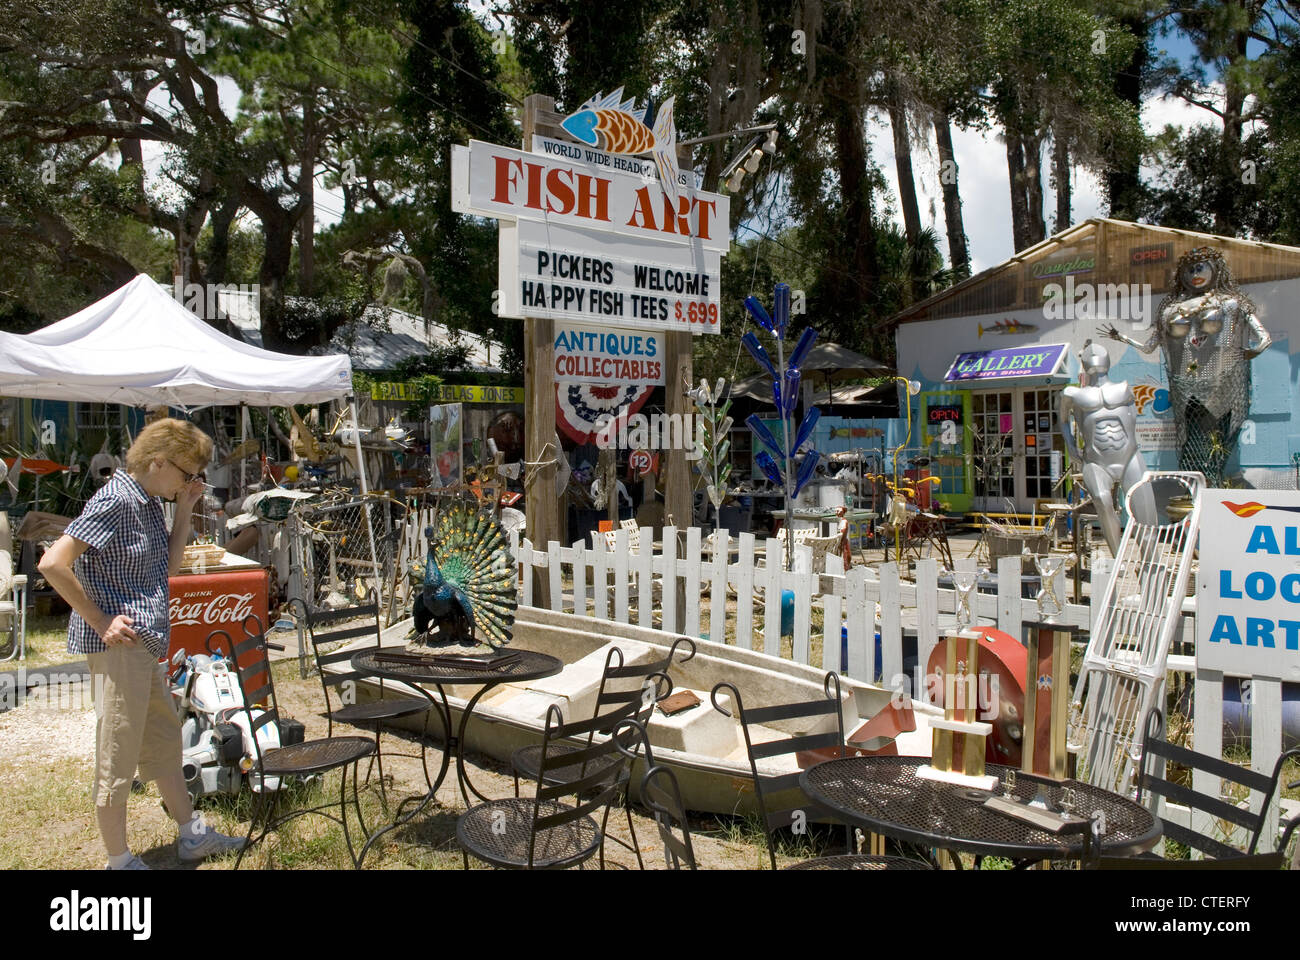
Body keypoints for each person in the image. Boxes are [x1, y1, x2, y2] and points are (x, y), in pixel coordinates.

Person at [39, 418, 248, 869]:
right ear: (157, 461)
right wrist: (98, 619)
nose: (190, 481)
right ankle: (119, 860)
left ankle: (192, 835)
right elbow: (53, 562)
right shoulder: (116, 499)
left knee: (162, 743)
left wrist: (186, 507)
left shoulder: (151, 500)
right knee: (118, 751)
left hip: (145, 642)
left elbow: (167, 571)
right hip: (120, 646)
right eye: (187, 474)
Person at [1059, 342, 1156, 554]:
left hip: (1128, 455)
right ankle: (1117, 555)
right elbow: (1063, 420)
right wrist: (1070, 444)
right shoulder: (1072, 394)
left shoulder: (1123, 389)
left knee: (1144, 512)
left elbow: (1132, 417)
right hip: (1095, 460)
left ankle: (1152, 561)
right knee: (1102, 500)